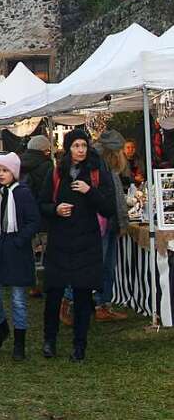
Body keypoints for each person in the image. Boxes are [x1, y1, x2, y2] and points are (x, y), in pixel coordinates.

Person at [38, 129, 116, 361]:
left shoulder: (97, 171)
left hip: (87, 242)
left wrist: (89, 190)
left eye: (83, 145)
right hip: (60, 241)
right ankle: (49, 340)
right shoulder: (56, 172)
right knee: (54, 294)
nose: (80, 150)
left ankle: (79, 346)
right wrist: (56, 209)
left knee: (83, 296)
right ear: (68, 148)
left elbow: (108, 207)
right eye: (76, 146)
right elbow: (41, 203)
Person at [0, 152, 39, 361]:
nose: (1, 174)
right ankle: (2, 328)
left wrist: (20, 240)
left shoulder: (22, 194)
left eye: (5, 170)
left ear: (14, 172)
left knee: (18, 299)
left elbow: (34, 220)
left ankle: (19, 342)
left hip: (16, 250)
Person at [93, 131, 130, 321]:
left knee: (105, 265)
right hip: (102, 223)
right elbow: (116, 199)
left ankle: (102, 305)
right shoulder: (101, 166)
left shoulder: (101, 165)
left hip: (105, 222)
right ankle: (97, 303)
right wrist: (123, 220)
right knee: (100, 265)